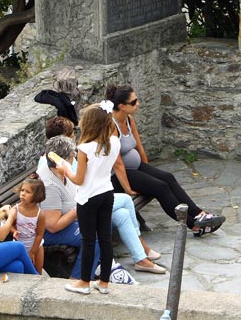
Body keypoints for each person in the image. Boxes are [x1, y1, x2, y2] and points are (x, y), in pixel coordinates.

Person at [105, 84, 226, 236]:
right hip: (118, 176)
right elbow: (117, 163)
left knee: (168, 177)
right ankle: (194, 225)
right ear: (122, 106)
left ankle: (199, 214)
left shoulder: (129, 119)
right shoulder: (110, 126)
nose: (138, 104)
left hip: (135, 168)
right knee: (160, 187)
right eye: (134, 102)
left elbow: (139, 147)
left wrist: (147, 169)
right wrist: (128, 189)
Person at [39, 136, 165, 277]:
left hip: (79, 213)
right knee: (95, 235)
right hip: (56, 230)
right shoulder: (50, 185)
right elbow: (52, 226)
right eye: (72, 155)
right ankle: (77, 278)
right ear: (61, 159)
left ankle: (140, 259)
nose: (74, 158)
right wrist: (78, 210)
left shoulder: (63, 170)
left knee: (121, 214)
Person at [57, 102, 126, 295]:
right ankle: (104, 282)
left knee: (88, 240)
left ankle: (84, 282)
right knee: (105, 238)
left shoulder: (85, 148)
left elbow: (79, 180)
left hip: (88, 197)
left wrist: (65, 169)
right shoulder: (114, 143)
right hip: (107, 193)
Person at [12, 178, 46, 275]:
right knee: (22, 271)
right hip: (19, 245)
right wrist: (14, 231)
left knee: (38, 272)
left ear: (36, 196)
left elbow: (40, 235)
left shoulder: (40, 214)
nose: (23, 193)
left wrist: (32, 252)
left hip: (36, 247)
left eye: (28, 192)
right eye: (22, 190)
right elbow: (10, 225)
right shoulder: (16, 209)